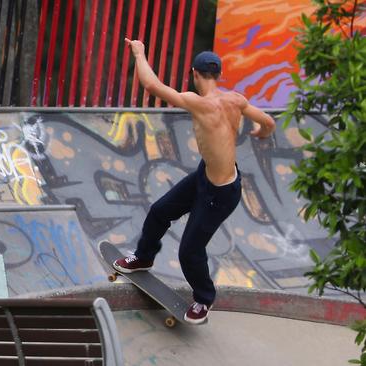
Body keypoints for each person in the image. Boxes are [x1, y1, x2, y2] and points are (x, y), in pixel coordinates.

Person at [113, 38, 276, 324]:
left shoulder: (199, 103)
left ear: (194, 73)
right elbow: (269, 122)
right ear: (219, 75)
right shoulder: (236, 100)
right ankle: (144, 257)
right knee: (160, 211)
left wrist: (139, 53)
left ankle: (203, 299)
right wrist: (261, 133)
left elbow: (151, 86)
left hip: (221, 194)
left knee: (190, 250)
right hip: (206, 176)